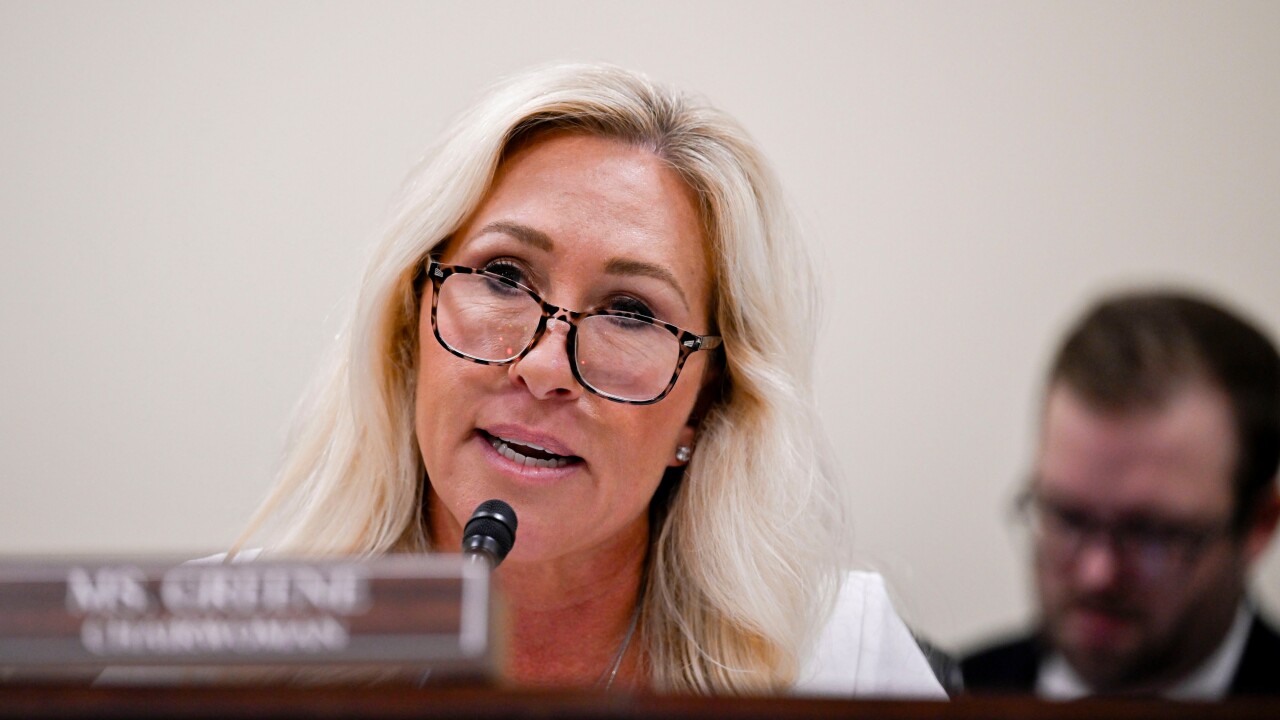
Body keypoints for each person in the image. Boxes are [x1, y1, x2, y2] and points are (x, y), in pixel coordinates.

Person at [236, 63, 944, 697]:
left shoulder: (840, 660)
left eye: (631, 313)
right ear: (408, 325)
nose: (544, 368)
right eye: (503, 275)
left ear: (705, 402)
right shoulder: (235, 640)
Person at [961, 291, 1280, 698]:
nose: (1097, 574)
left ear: (1259, 524)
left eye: (1151, 533)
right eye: (1068, 517)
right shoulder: (944, 698)